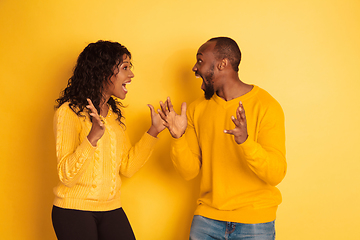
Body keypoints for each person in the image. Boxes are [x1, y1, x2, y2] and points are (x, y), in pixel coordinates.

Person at [158, 37, 286, 240]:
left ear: (222, 63)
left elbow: (276, 174)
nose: (194, 67)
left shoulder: (267, 106)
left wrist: (246, 142)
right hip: (207, 220)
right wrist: (178, 137)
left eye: (200, 60)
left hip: (255, 222)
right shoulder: (196, 109)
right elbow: (189, 172)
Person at [52, 40, 165, 240]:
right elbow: (66, 176)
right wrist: (92, 138)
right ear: (103, 72)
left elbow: (127, 167)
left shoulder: (113, 116)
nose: (131, 75)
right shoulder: (69, 112)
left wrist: (153, 131)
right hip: (73, 210)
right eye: (124, 68)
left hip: (111, 209)